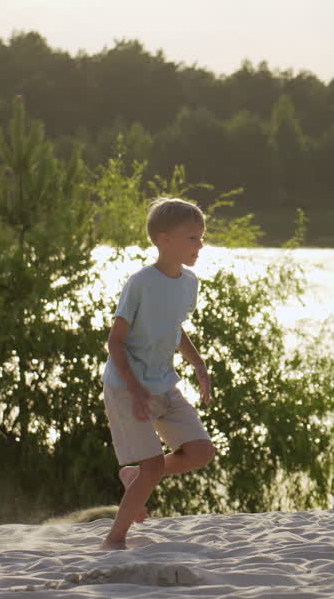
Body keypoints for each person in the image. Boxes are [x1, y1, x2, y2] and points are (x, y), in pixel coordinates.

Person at [99, 198, 216, 549]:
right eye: (192, 238)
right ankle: (114, 540)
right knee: (153, 469)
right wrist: (136, 391)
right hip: (127, 387)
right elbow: (115, 343)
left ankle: (134, 475)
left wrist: (198, 365)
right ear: (164, 239)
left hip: (165, 383)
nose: (200, 245)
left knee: (201, 452)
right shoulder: (141, 283)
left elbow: (174, 329)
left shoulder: (189, 283)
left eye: (201, 237)